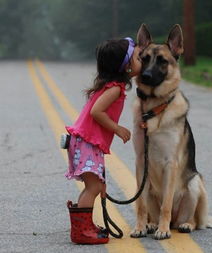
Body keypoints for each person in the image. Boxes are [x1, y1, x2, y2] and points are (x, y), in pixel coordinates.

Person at [65, 37, 141, 244]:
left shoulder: (111, 86)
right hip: (86, 143)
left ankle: (84, 226)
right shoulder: (114, 89)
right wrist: (117, 129)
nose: (141, 60)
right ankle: (81, 231)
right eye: (137, 58)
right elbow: (97, 112)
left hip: (85, 142)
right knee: (94, 188)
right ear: (126, 67)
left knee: (95, 186)